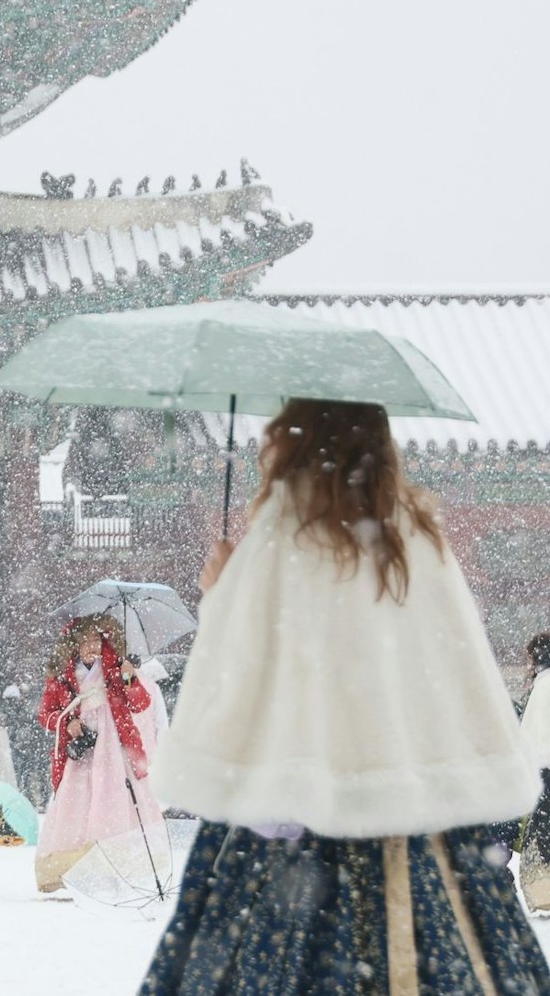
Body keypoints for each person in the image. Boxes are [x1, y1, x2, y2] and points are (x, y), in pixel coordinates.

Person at [142, 399, 549, 992]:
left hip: (289, 822)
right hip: (419, 824)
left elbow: (240, 682)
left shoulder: (282, 538)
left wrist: (221, 596)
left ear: (298, 439)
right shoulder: (417, 539)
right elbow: (457, 671)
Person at [33, 613, 162, 893]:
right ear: (74, 644)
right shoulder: (61, 675)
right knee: (77, 803)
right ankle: (76, 868)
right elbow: (45, 714)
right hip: (81, 752)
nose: (91, 647)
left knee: (114, 800)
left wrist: (130, 678)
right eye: (85, 641)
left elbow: (140, 704)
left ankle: (116, 867)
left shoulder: (117, 668)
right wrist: (67, 723)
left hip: (114, 745)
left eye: (96, 640)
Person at [518, 632, 550, 915]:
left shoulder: (543, 687)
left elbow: (532, 738)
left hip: (544, 772)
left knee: (542, 835)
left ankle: (544, 891)